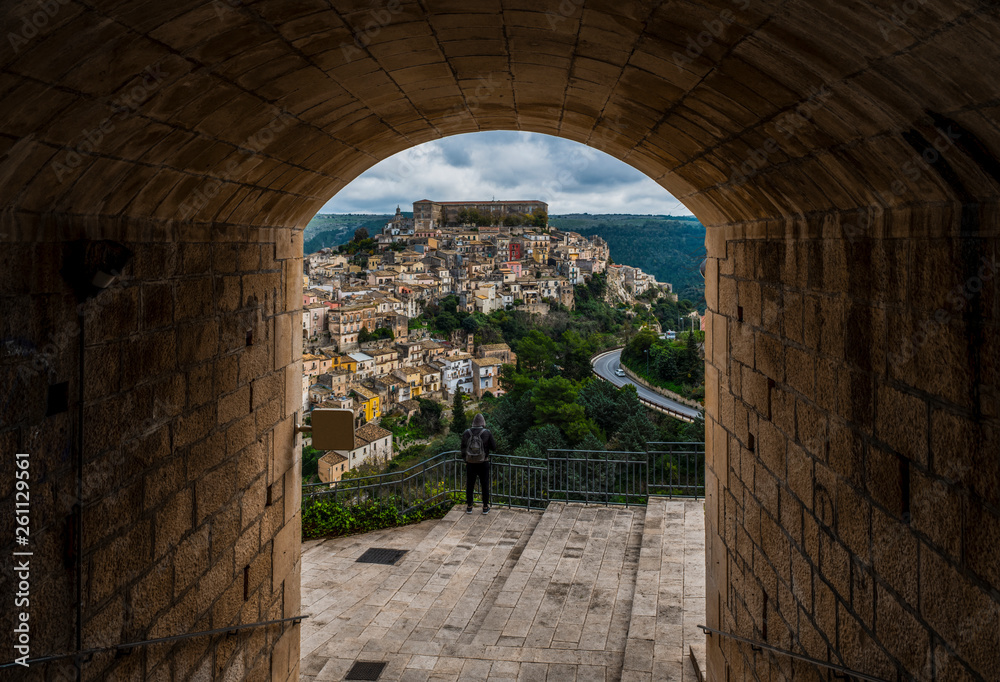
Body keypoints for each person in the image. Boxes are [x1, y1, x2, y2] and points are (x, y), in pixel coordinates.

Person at [461, 413, 497, 514]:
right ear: (483, 423)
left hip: (470, 463)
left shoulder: (467, 432)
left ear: (473, 423)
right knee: (485, 485)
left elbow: (462, 448)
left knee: (470, 485)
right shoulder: (487, 432)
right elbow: (494, 447)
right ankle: (485, 507)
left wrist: (466, 461)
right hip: (483, 462)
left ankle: (469, 506)